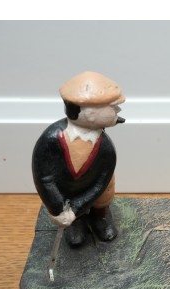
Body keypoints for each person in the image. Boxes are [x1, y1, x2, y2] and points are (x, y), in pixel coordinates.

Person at [32, 71, 125, 247]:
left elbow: (101, 182)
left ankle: (100, 216)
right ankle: (77, 222)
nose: (118, 112)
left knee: (103, 197)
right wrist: (59, 209)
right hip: (66, 192)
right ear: (90, 113)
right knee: (76, 238)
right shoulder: (51, 140)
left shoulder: (105, 147)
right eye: (113, 108)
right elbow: (45, 178)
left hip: (95, 192)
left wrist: (76, 208)